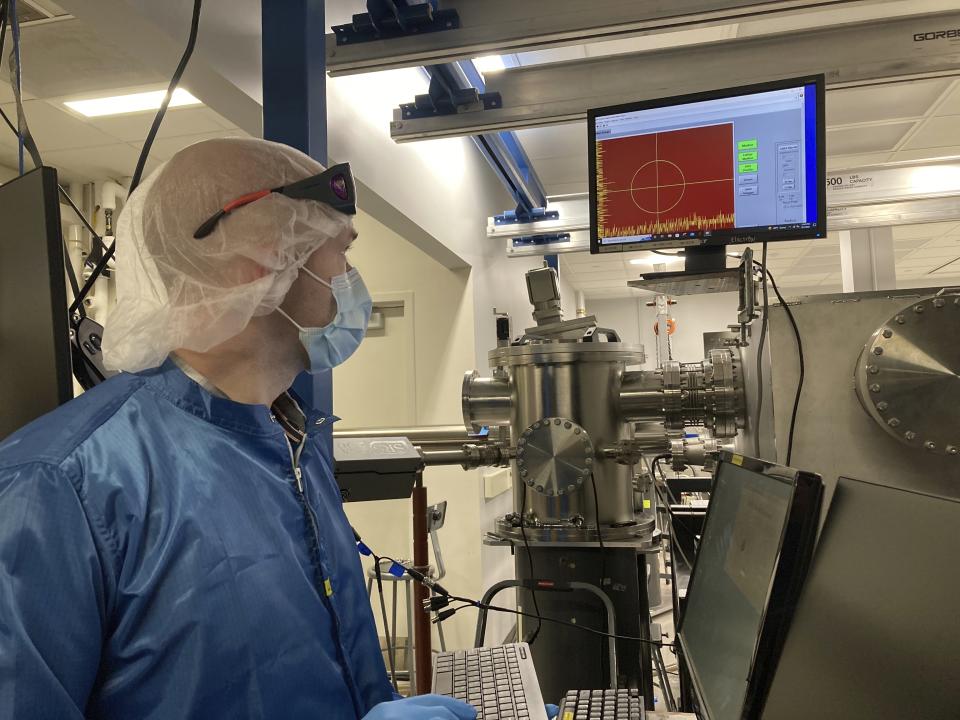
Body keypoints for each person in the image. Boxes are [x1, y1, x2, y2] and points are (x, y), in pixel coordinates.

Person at [0, 138, 477, 720]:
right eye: (340, 252)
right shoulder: (59, 486)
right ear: (268, 255)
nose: (350, 277)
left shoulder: (290, 439)